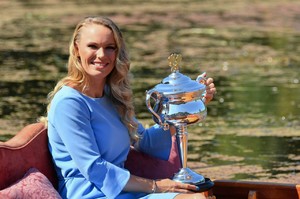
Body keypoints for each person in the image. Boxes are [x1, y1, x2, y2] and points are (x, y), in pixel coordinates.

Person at [45, 16, 216, 199]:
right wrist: (156, 186)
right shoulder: (69, 102)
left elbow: (144, 141)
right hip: (90, 195)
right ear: (77, 49)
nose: (102, 55)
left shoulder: (111, 95)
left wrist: (189, 107)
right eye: (93, 46)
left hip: (125, 192)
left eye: (110, 47)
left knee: (198, 196)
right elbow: (94, 168)